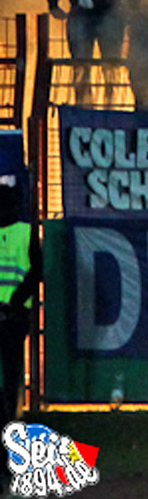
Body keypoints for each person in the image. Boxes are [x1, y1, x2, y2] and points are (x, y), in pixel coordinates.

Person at [0, 178, 41, 487]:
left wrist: (12, 302)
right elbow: (35, 272)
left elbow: (37, 270)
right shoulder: (27, 233)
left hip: (12, 317)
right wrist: (15, 301)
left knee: (11, 382)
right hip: (15, 317)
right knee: (11, 380)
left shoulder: (27, 233)